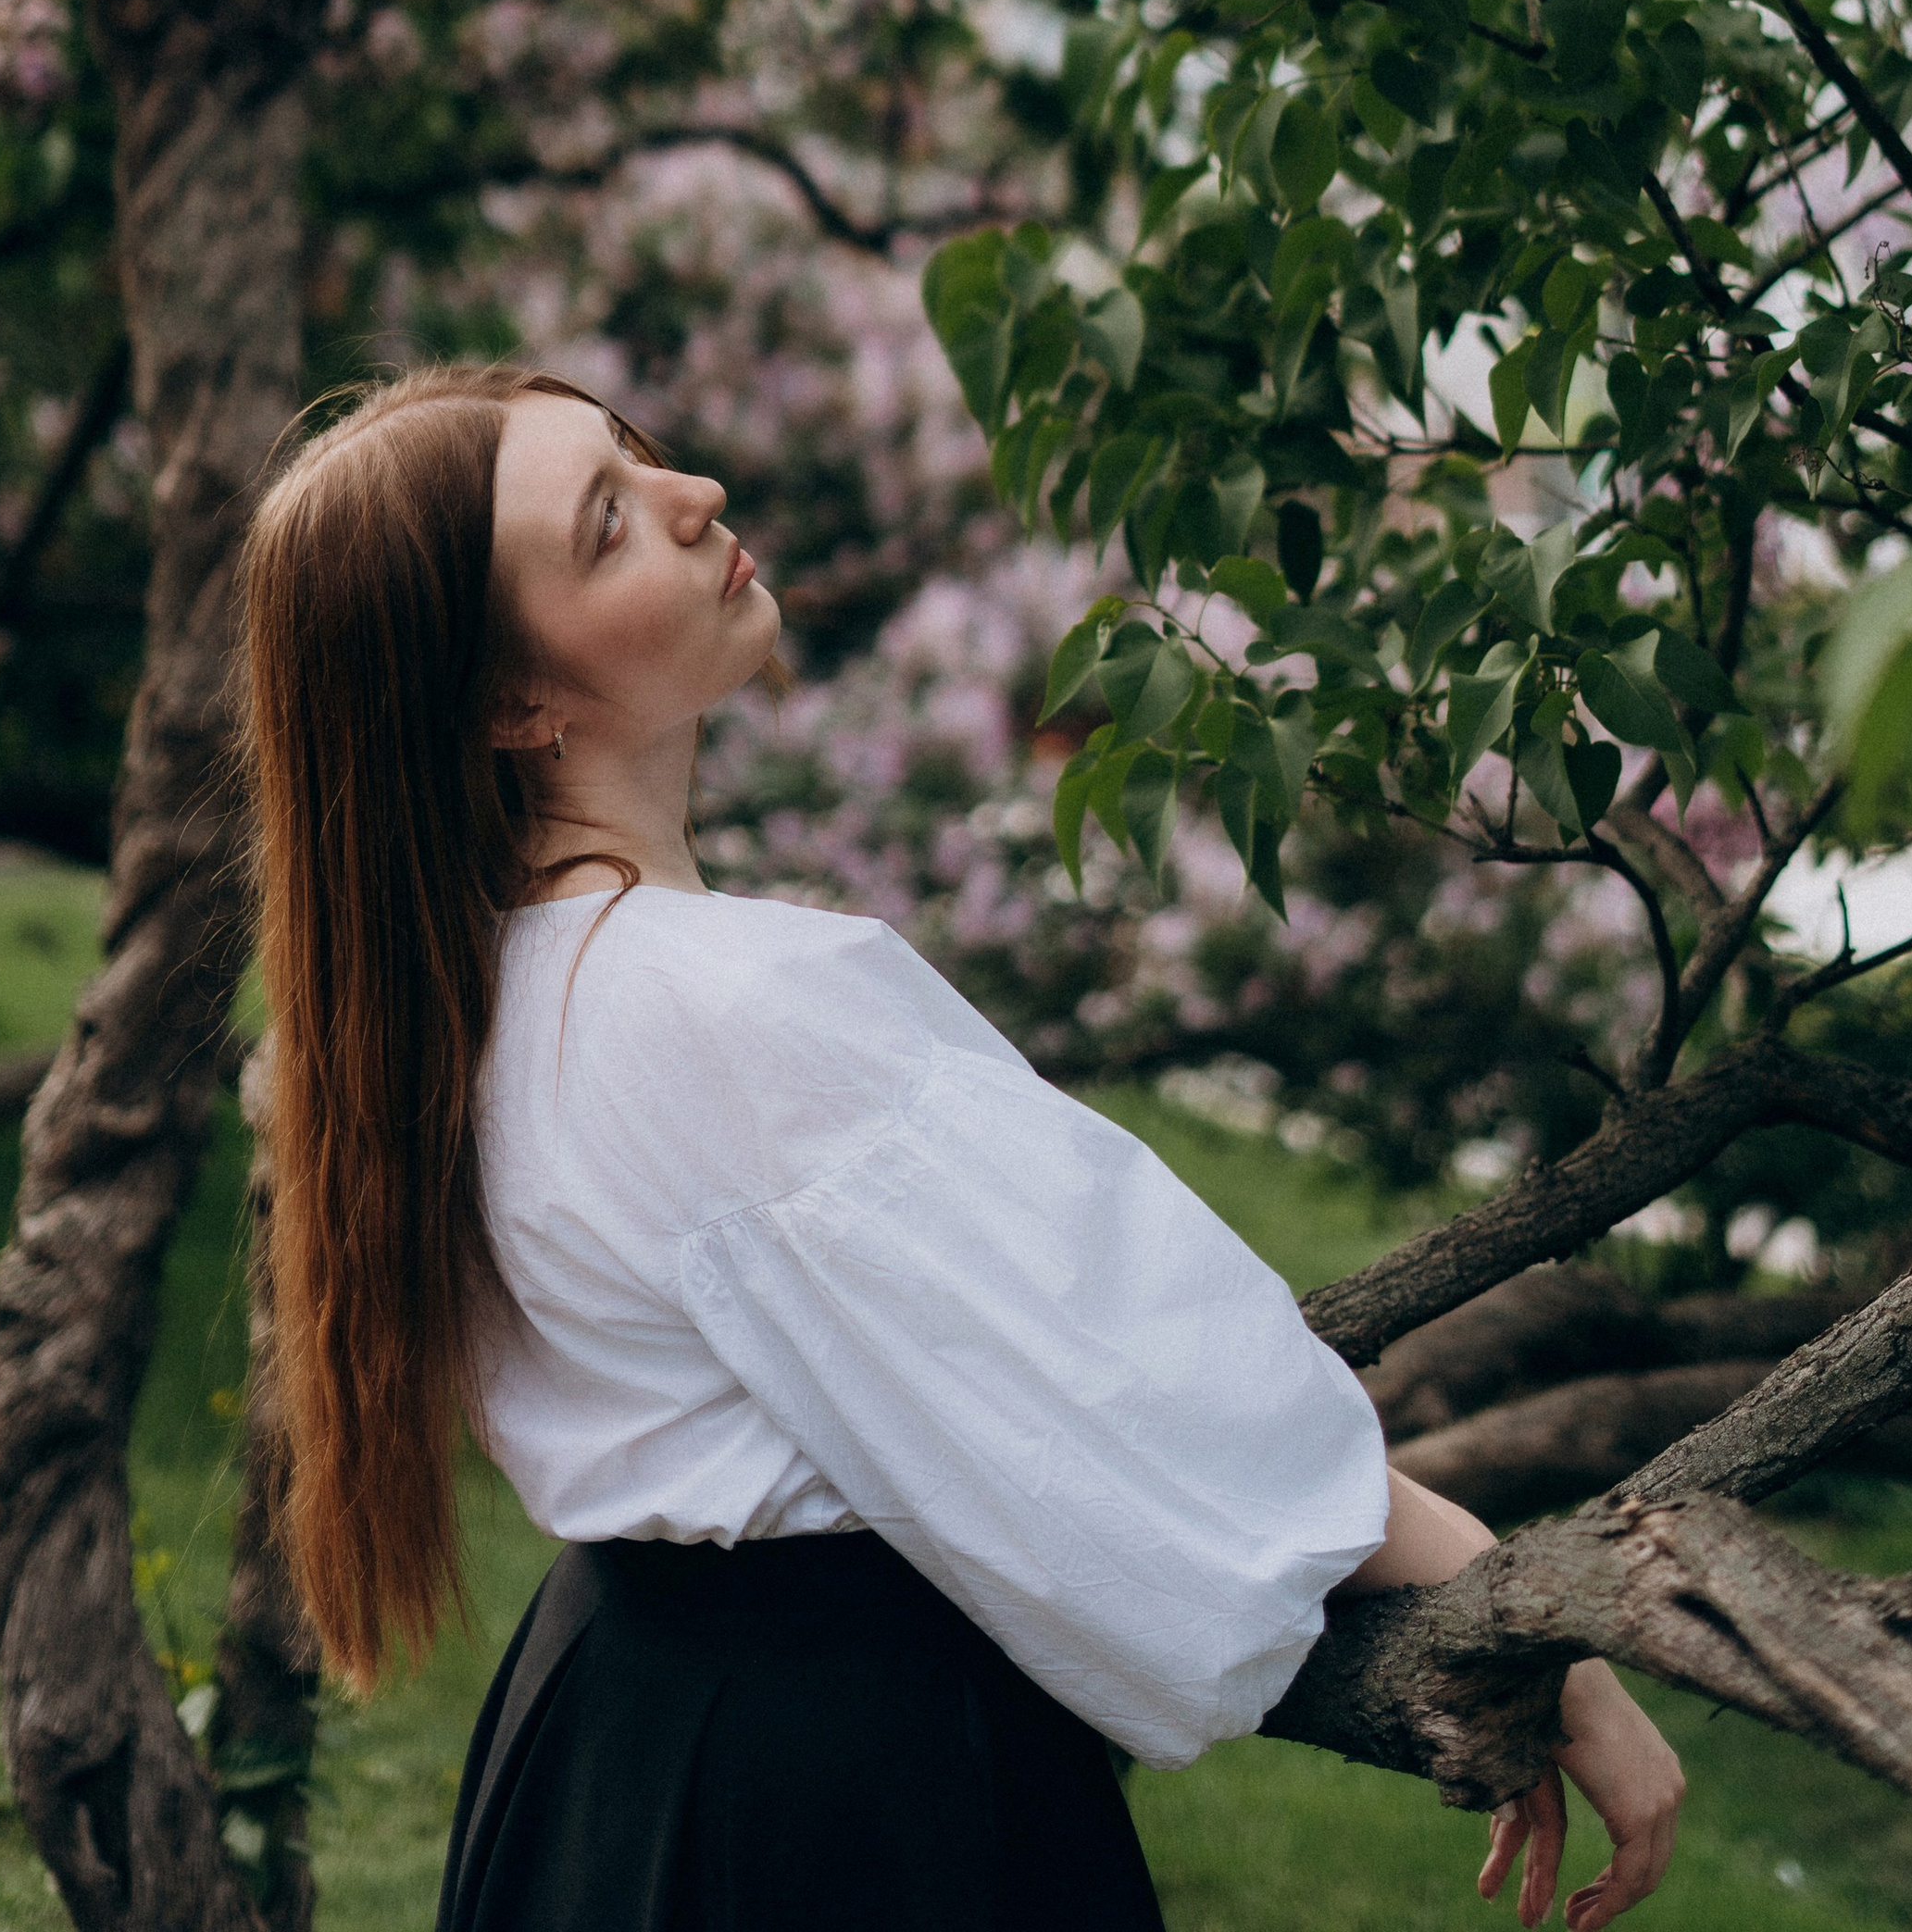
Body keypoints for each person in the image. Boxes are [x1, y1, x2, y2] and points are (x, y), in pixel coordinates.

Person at [237, 361, 1684, 1932]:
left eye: (637, 458)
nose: (692, 495)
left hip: (612, 1741)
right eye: (606, 524)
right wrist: (1508, 1606)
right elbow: (1114, 1353)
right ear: (517, 707)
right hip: (841, 1790)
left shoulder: (470, 1003)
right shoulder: (727, 1002)